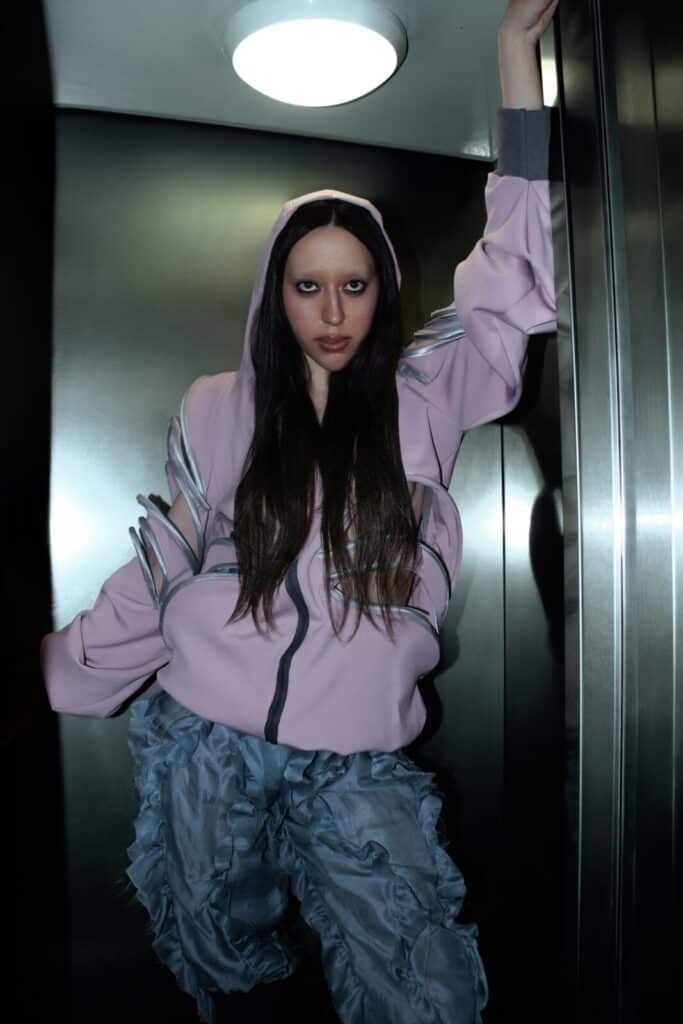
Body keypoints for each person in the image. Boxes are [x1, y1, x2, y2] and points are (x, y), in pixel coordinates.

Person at [40, 1, 559, 1021]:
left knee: (418, 979)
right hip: (206, 737)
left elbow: (509, 286)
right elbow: (166, 560)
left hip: (356, 751)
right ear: (275, 296)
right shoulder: (216, 408)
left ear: (381, 290)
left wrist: (513, 62)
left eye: (354, 285)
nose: (331, 313)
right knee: (216, 964)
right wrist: (57, 669)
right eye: (307, 286)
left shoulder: (423, 396)